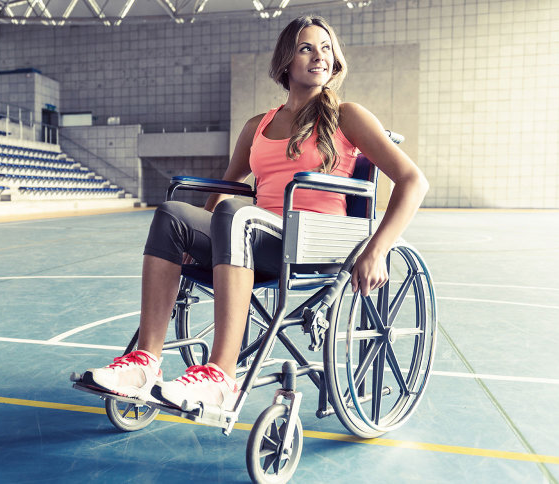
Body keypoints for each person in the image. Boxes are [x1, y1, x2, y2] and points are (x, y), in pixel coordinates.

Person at [81, 15, 429, 413]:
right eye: (306, 48)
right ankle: (145, 364)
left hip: (314, 240)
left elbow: (413, 181)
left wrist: (377, 248)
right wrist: (198, 243)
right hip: (257, 238)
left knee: (235, 214)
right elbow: (225, 187)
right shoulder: (257, 125)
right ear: (285, 61)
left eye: (326, 48)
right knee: (173, 213)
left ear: (335, 61)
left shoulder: (348, 115)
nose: (319, 56)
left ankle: (221, 376)